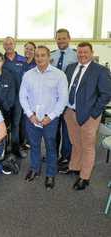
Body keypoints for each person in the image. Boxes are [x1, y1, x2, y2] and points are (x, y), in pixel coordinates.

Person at [63, 42, 111, 190]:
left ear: (91, 53)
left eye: (85, 52)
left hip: (89, 115)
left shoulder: (100, 70)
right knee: (75, 143)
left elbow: (106, 94)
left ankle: (84, 177)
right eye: (80, 52)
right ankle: (74, 167)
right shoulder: (70, 68)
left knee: (88, 146)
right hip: (70, 112)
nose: (82, 55)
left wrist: (94, 113)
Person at [19, 46, 68, 190]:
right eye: (37, 56)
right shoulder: (28, 75)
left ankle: (50, 174)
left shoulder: (59, 75)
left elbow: (63, 99)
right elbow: (23, 96)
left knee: (51, 147)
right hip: (32, 118)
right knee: (34, 146)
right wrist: (29, 114)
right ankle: (35, 169)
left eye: (43, 55)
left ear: (49, 57)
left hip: (50, 119)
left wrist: (51, 117)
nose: (39, 58)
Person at [50, 28, 78, 168]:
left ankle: (66, 157)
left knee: (67, 130)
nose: (61, 41)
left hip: (68, 100)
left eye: (63, 38)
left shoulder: (75, 55)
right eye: (58, 38)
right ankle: (52, 154)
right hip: (53, 100)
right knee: (53, 129)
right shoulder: (52, 55)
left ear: (69, 38)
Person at [2, 36, 27, 158]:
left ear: (15, 44)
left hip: (18, 98)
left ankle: (16, 148)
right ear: (3, 46)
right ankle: (4, 149)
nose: (8, 46)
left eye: (10, 43)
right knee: (4, 125)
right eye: (6, 44)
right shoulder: (0, 60)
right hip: (4, 98)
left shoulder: (23, 60)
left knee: (16, 124)